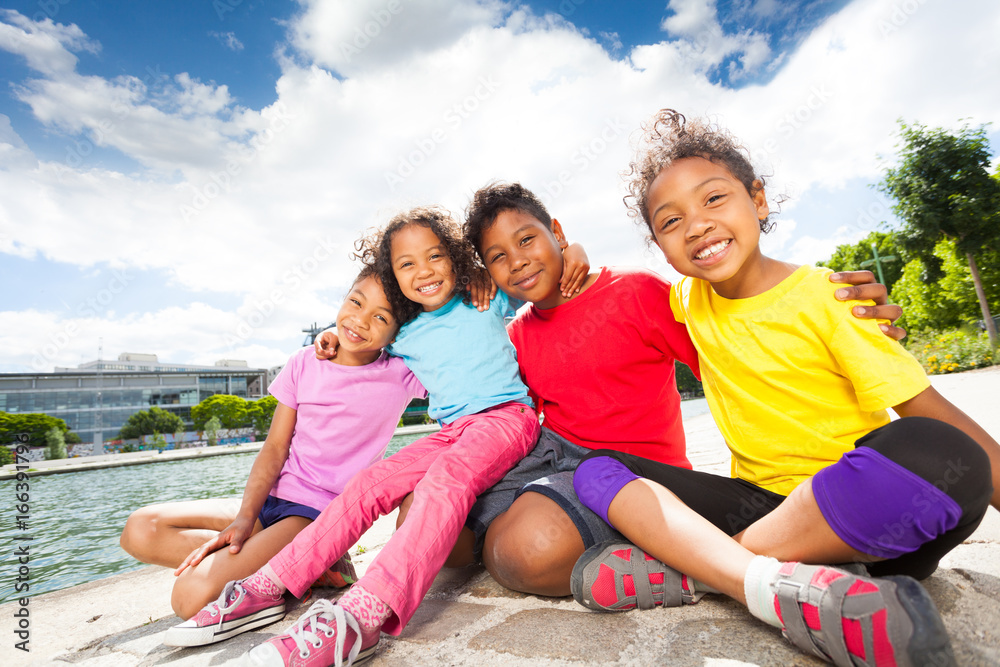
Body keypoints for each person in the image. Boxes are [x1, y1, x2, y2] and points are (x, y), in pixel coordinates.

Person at [569, 110, 998, 667]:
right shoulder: (689, 301)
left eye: (714, 199)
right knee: (594, 469)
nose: (696, 225)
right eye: (670, 222)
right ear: (661, 246)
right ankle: (758, 571)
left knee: (941, 451)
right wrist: (572, 253)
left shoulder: (832, 297)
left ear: (759, 200)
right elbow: (612, 287)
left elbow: (928, 408)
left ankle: (708, 570)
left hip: (865, 520)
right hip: (761, 509)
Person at [408, 180, 905, 601]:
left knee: (522, 553)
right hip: (551, 462)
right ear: (488, 274)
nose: (517, 261)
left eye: (527, 240)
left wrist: (827, 317)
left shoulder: (635, 292)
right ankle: (506, 531)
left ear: (556, 233)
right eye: (498, 257)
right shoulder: (515, 334)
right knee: (423, 518)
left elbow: (732, 346)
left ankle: (691, 562)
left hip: (635, 477)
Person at [167, 206, 545, 666]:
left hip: (506, 418)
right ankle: (268, 586)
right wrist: (329, 336)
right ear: (394, 277)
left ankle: (362, 617)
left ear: (455, 258)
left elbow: (538, 279)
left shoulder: (484, 297)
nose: (424, 271)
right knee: (368, 483)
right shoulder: (404, 333)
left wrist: (570, 253)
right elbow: (364, 337)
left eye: (435, 257)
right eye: (407, 264)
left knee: (445, 482)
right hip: (453, 431)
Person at [120, 265, 425, 623]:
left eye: (381, 317)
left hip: (317, 517)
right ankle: (301, 567)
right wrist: (245, 518)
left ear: (398, 332)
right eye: (355, 302)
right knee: (140, 530)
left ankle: (307, 559)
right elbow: (275, 448)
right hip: (273, 503)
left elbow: (450, 354)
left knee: (189, 598)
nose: (360, 321)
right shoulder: (303, 362)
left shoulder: (402, 374)